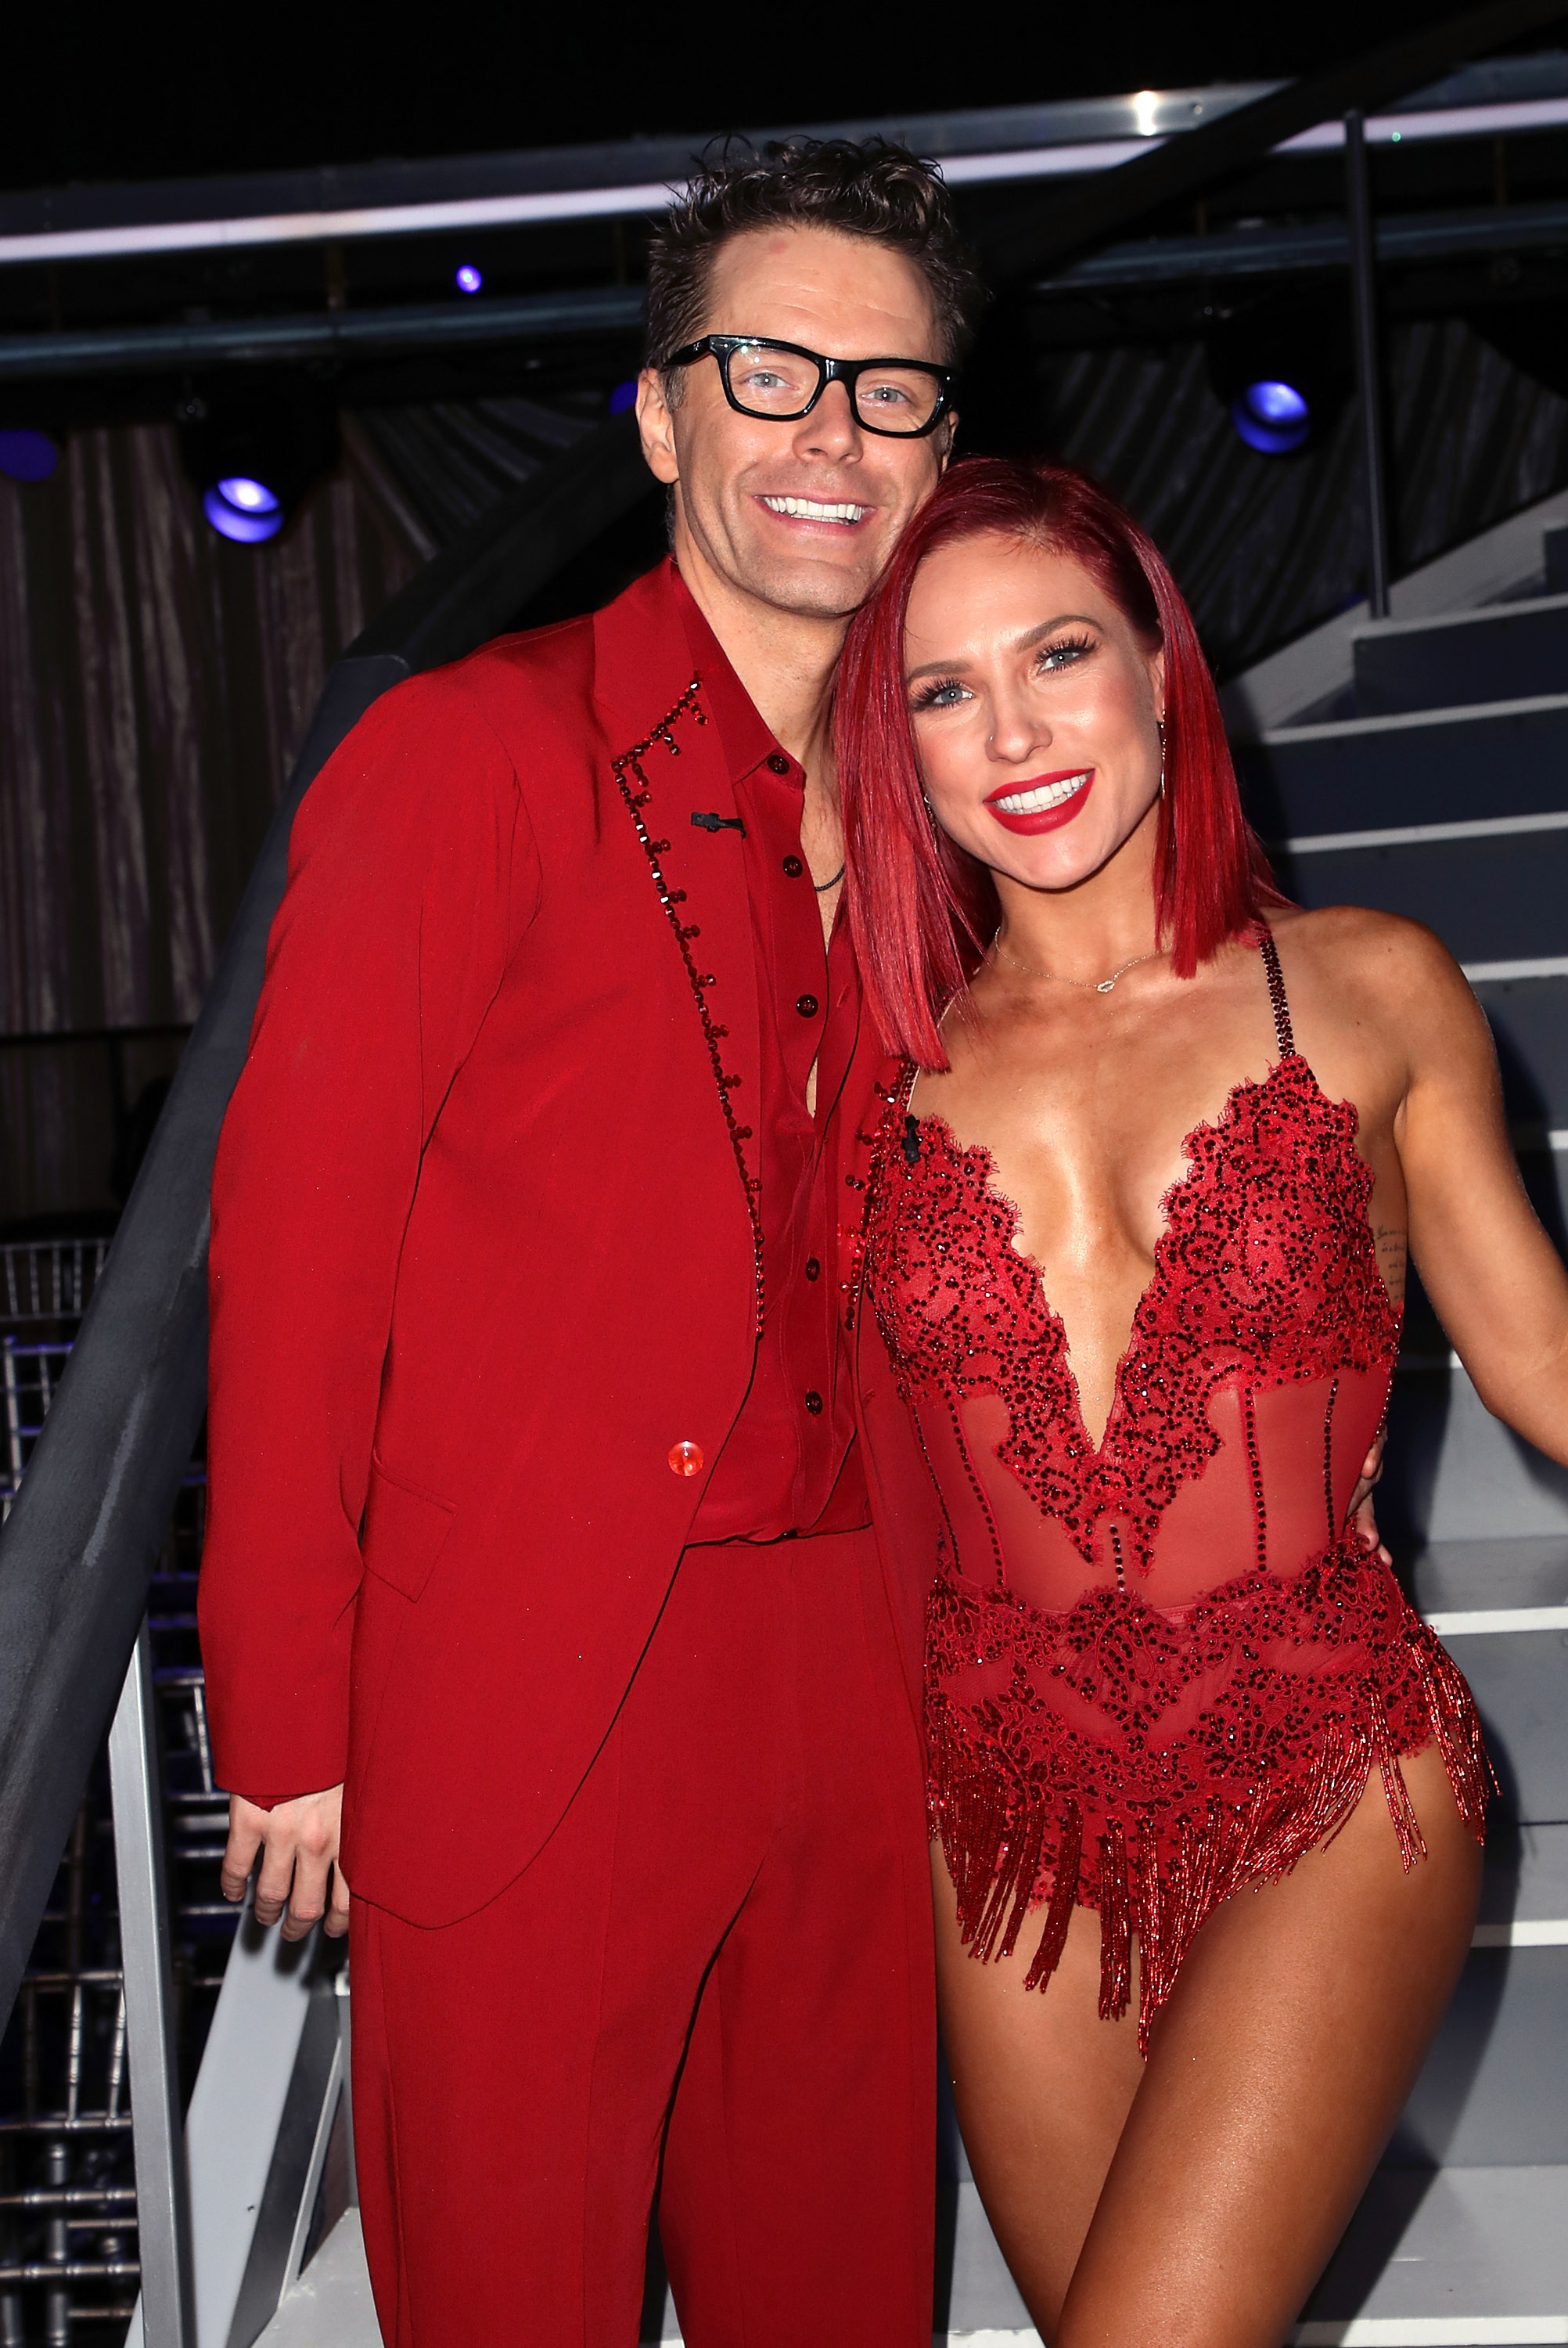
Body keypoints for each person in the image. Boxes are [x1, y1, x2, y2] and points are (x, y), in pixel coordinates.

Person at [198, 139, 978, 2348]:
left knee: (841, 2304)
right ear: (660, 416)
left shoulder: (959, 819)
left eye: (889, 390)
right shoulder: (464, 756)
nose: (828, 432)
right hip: (533, 1690)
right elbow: (297, 1249)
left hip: (858, 1674)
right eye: (769, 370)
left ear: (943, 448)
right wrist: (287, 1716)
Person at [835, 456, 1568, 2346]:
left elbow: (1551, 1365)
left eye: (1058, 654)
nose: (1017, 731)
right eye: (943, 690)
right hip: (1004, 1812)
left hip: (1328, 1762)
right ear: (894, 753)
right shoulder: (870, 1071)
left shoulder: (1371, 988)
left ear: (1161, 671)